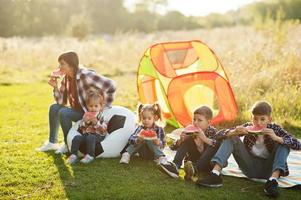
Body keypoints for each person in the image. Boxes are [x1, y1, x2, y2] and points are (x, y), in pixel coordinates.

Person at [197, 101, 301, 198]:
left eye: (262, 119)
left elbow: (297, 144)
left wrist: (277, 138)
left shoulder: (275, 129)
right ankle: (215, 175)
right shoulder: (248, 126)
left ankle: (272, 181)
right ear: (251, 118)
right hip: (249, 168)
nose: (258, 123)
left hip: (269, 169)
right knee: (232, 137)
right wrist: (234, 132)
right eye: (255, 119)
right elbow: (217, 135)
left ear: (269, 119)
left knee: (284, 143)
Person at [36, 51, 116, 154]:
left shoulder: (85, 75)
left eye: (62, 64)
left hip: (90, 113)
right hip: (79, 111)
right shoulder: (67, 78)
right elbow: (61, 102)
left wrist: (104, 108)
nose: (59, 67)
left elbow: (111, 85)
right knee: (54, 108)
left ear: (71, 65)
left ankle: (67, 144)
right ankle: (53, 143)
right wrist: (55, 87)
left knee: (64, 112)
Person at [159, 106, 219, 179]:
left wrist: (204, 138)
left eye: (199, 120)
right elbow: (173, 147)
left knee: (212, 144)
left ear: (208, 122)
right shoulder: (190, 132)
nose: (195, 122)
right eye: (194, 119)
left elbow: (217, 146)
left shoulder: (213, 132)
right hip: (190, 163)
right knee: (187, 140)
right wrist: (181, 140)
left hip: (207, 164)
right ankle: (175, 166)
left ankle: (194, 169)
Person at [67, 90, 107, 164]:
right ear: (87, 106)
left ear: (100, 106)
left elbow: (104, 130)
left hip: (97, 136)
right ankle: (73, 155)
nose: (93, 108)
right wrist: (84, 122)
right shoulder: (86, 115)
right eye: (91, 106)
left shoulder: (102, 116)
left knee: (91, 137)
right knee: (76, 138)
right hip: (86, 135)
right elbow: (80, 128)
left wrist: (96, 123)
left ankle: (90, 155)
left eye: (96, 106)